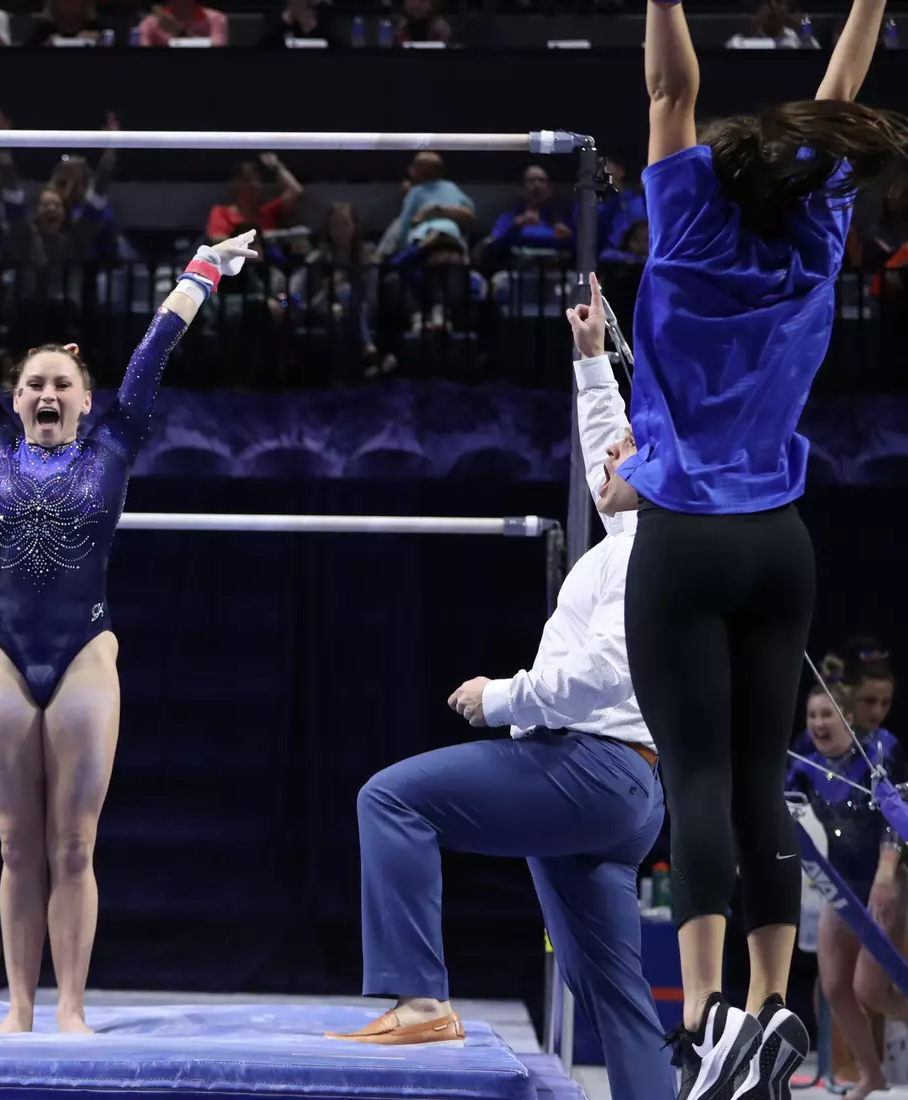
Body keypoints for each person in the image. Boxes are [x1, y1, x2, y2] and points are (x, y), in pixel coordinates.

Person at [609, 0, 908, 1096]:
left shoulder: (688, 224)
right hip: (780, 543)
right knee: (752, 783)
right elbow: (835, 101)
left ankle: (704, 1023)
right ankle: (772, 1004)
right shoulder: (816, 233)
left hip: (685, 537)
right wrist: (870, 3)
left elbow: (669, 89)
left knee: (693, 778)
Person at [0, 222, 258, 1033]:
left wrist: (204, 270)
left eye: (60, 385)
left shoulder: (115, 441)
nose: (46, 395)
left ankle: (71, 1008)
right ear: (14, 400)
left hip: (82, 653)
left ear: (85, 398)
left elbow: (152, 354)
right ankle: (18, 1007)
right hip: (2, 657)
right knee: (16, 846)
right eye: (33, 386)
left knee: (74, 845)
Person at [328, 275, 672, 1100]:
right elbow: (608, 447)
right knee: (613, 996)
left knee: (390, 800)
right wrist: (590, 363)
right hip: (627, 788)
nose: (609, 459)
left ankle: (419, 1002)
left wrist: (501, 698)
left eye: (628, 454)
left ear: (657, 471)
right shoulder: (642, 528)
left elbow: (601, 674)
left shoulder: (650, 552)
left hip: (592, 767)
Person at [787, 683, 907, 1100]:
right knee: (835, 987)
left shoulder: (878, 751)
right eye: (812, 716)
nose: (818, 724)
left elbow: (897, 812)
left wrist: (887, 875)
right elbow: (782, 805)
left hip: (884, 880)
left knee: (870, 990)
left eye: (827, 715)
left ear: (848, 718)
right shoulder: (804, 760)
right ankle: (870, 1074)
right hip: (838, 884)